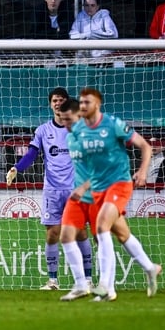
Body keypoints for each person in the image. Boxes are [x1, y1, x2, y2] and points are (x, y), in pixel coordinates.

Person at [72, 87, 162, 301]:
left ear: (98, 104)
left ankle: (107, 287)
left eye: (87, 102)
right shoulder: (79, 131)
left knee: (102, 227)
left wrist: (142, 170)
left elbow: (145, 146)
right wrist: (83, 187)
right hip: (98, 188)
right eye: (81, 102)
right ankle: (150, 267)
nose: (83, 106)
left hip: (120, 183)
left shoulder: (113, 124)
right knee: (121, 234)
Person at [6, 87, 93, 291]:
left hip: (75, 189)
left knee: (80, 232)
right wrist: (16, 168)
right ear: (50, 104)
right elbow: (31, 154)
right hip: (52, 190)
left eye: (61, 99)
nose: (57, 103)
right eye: (54, 100)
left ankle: (88, 279)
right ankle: (53, 280)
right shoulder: (43, 130)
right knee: (53, 233)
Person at [57, 98, 98, 301]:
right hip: (78, 196)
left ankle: (148, 267)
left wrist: (84, 187)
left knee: (110, 237)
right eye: (62, 120)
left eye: (68, 119)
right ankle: (81, 284)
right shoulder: (71, 137)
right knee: (65, 235)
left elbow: (103, 169)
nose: (65, 124)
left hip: (99, 194)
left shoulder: (93, 136)